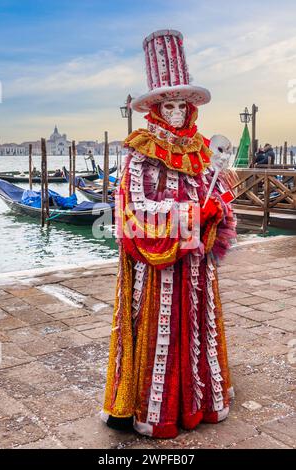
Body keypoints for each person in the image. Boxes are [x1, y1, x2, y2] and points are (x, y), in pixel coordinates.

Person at [100, 29, 237, 439]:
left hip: (194, 266)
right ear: (156, 109)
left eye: (182, 105)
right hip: (155, 270)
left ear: (190, 108)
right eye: (168, 105)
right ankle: (154, 410)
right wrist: (196, 212)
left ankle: (197, 402)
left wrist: (218, 205)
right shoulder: (139, 153)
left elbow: (218, 196)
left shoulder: (202, 151)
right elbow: (135, 210)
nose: (176, 112)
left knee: (197, 327)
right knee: (159, 329)